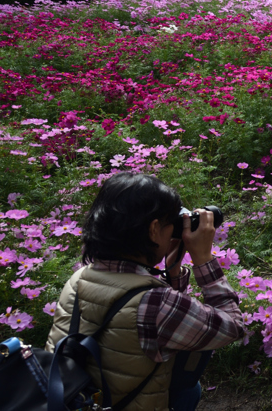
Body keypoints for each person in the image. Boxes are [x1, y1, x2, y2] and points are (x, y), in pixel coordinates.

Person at [46, 173, 246, 411]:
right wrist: (203, 259)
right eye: (170, 223)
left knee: (188, 388)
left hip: (76, 398)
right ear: (153, 230)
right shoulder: (154, 302)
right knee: (189, 390)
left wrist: (173, 272)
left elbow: (149, 324)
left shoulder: (80, 277)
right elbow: (233, 327)